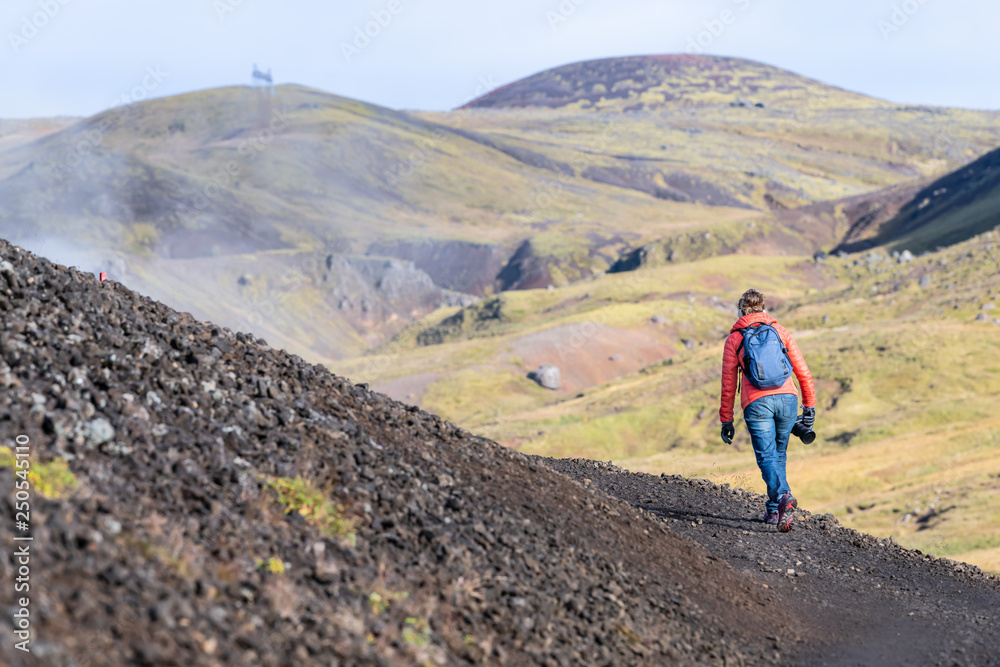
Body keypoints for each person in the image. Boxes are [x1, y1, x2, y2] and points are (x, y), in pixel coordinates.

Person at [719, 288, 816, 532]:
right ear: (764, 308)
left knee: (766, 456)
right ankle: (774, 511)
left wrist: (726, 419)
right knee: (778, 455)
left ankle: (783, 497)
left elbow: (729, 384)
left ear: (741, 309)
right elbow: (802, 371)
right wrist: (810, 406)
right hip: (787, 400)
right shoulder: (780, 331)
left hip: (757, 403)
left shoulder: (735, 339)